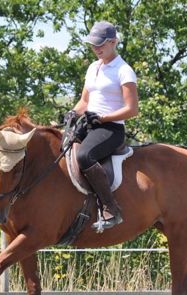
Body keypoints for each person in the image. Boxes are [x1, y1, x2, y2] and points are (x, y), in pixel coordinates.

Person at [64, 21, 139, 232]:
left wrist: (104, 118)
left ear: (113, 42)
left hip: (111, 128)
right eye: (93, 45)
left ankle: (111, 209)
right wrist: (72, 113)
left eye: (100, 45)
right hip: (90, 123)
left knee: (84, 156)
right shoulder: (92, 68)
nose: (96, 49)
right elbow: (84, 102)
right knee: (62, 149)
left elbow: (132, 109)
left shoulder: (124, 70)